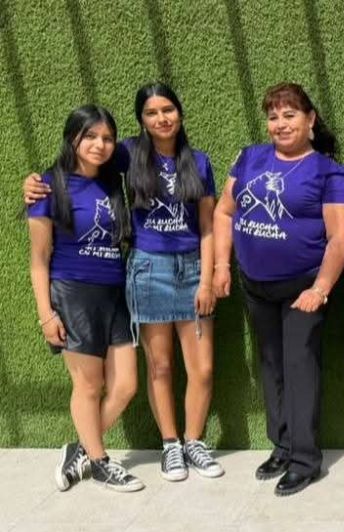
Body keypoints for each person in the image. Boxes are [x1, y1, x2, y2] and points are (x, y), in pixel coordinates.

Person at [24, 83, 224, 482]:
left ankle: (185, 443)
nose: (161, 118)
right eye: (151, 112)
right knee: (156, 367)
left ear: (180, 113)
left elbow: (208, 224)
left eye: (168, 109)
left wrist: (209, 276)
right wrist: (33, 183)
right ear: (141, 121)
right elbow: (79, 162)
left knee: (192, 371)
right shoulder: (127, 154)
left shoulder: (198, 162)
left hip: (175, 274)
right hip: (141, 271)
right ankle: (162, 447)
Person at [213, 82, 344, 496]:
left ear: (310, 120)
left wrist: (321, 288)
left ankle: (306, 460)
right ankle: (283, 446)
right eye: (273, 116)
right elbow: (224, 212)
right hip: (256, 287)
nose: (280, 123)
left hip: (303, 289)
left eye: (289, 115)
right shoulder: (249, 158)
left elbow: (341, 237)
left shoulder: (327, 172)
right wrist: (222, 265)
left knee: (299, 367)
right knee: (271, 365)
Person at [27, 105, 144, 492]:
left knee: (125, 386)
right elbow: (39, 260)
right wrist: (46, 315)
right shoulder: (48, 186)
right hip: (73, 293)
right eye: (90, 136)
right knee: (89, 387)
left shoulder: (113, 181)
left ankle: (79, 448)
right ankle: (100, 462)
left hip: (115, 293)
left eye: (107, 138)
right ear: (72, 138)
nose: (100, 144)